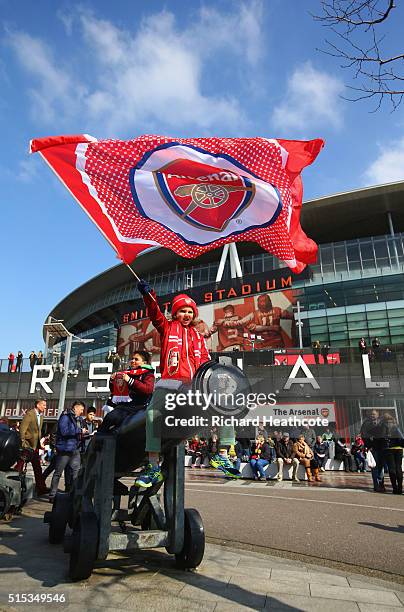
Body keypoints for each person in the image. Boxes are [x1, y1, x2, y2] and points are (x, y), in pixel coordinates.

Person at [134, 282, 218, 488]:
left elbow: (206, 363)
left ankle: (224, 453)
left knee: (224, 406)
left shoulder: (199, 337)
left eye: (190, 311)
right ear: (175, 313)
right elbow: (154, 312)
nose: (186, 314)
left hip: (193, 387)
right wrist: (149, 295)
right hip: (168, 385)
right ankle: (153, 466)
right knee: (153, 414)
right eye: (182, 311)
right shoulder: (167, 327)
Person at [99, 351, 155, 432]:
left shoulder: (148, 374)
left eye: (136, 359)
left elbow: (147, 390)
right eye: (132, 359)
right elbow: (115, 391)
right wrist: (112, 381)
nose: (133, 361)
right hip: (122, 408)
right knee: (109, 419)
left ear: (144, 362)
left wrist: (130, 380)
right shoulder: (126, 373)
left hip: (139, 408)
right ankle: (100, 440)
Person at [49, 401, 87, 502]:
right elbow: (64, 431)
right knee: (58, 473)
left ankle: (73, 494)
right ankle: (52, 495)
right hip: (65, 449)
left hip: (74, 449)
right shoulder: (65, 417)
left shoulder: (77, 419)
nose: (82, 412)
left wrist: (84, 434)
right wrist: (79, 431)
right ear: (76, 408)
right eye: (81, 409)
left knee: (76, 473)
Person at [15, 399, 48, 495]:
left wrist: (40, 443)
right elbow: (22, 429)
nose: (45, 407)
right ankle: (13, 483)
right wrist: (23, 444)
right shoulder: (29, 414)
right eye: (43, 405)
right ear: (38, 405)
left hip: (35, 446)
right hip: (27, 445)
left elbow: (38, 432)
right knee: (20, 465)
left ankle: (41, 488)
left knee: (37, 467)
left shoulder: (41, 416)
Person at [361, 409, 386, 492]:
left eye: (374, 414)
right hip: (373, 449)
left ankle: (381, 484)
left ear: (378, 414)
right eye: (371, 414)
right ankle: (376, 485)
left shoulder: (382, 423)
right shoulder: (366, 424)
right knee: (374, 467)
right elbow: (363, 435)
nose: (372, 416)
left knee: (381, 467)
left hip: (382, 448)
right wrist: (369, 445)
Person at [380, 414, 403, 495]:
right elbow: (401, 438)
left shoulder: (382, 426)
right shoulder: (396, 426)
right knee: (398, 468)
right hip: (398, 449)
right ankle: (400, 488)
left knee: (392, 469)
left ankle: (395, 488)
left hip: (388, 449)